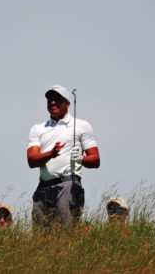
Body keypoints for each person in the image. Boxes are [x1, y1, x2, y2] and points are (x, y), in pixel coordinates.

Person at [27, 85, 100, 228]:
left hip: (68, 184)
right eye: (50, 100)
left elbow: (95, 160)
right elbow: (32, 160)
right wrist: (51, 154)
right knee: (40, 236)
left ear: (67, 103)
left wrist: (80, 158)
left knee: (67, 233)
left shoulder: (81, 125)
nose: (53, 103)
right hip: (43, 187)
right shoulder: (38, 129)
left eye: (57, 100)